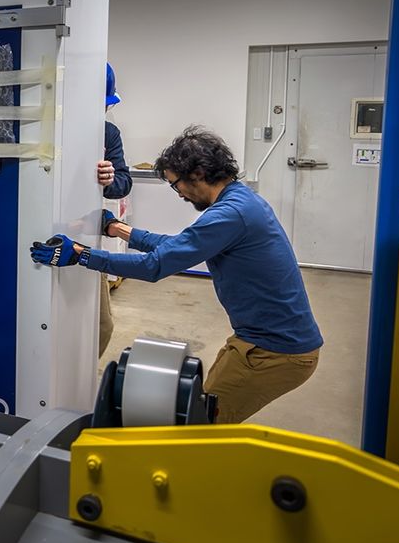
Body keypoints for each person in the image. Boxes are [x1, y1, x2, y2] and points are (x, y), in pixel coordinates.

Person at [30, 126, 322, 424]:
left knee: (198, 427)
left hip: (274, 352)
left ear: (197, 173)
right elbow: (178, 247)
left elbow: (155, 266)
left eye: (176, 184)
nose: (179, 193)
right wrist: (119, 229)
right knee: (199, 409)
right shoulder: (240, 201)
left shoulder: (230, 214)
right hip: (254, 342)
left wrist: (81, 255)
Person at [96, 63, 132, 357]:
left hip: (84, 241)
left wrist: (110, 181)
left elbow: (124, 181)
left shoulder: (108, 134)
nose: (104, 111)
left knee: (101, 327)